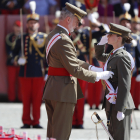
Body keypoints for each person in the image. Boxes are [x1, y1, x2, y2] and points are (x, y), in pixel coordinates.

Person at [43, 2, 114, 140]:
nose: (78, 25)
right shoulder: (63, 39)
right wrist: (98, 75)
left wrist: (92, 67)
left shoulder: (53, 34)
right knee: (60, 134)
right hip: (63, 91)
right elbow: (74, 68)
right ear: (68, 19)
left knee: (52, 132)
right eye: (77, 21)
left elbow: (72, 60)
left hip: (53, 87)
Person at [95, 23, 135, 140]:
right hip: (112, 103)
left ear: (119, 38)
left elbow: (125, 83)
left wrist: (120, 109)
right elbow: (100, 56)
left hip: (120, 105)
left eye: (111, 34)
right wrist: (100, 44)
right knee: (112, 136)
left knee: (121, 137)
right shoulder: (113, 54)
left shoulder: (122, 56)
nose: (108, 36)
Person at [13, 1, 47, 128]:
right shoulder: (22, 38)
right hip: (25, 72)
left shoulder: (43, 38)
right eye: (30, 23)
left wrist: (48, 71)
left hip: (39, 72)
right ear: (27, 24)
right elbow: (13, 53)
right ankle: (26, 121)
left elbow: (48, 56)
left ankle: (36, 121)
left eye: (34, 22)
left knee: (37, 99)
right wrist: (17, 59)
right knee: (26, 99)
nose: (32, 25)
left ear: (38, 24)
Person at [6, 20, 22, 102]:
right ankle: (11, 98)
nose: (18, 29)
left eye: (19, 27)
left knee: (21, 82)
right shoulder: (9, 37)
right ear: (13, 27)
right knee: (11, 81)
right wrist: (14, 60)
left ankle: (21, 98)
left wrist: (19, 59)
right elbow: (9, 50)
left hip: (21, 63)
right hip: (11, 63)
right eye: (16, 26)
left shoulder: (24, 37)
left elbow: (22, 50)